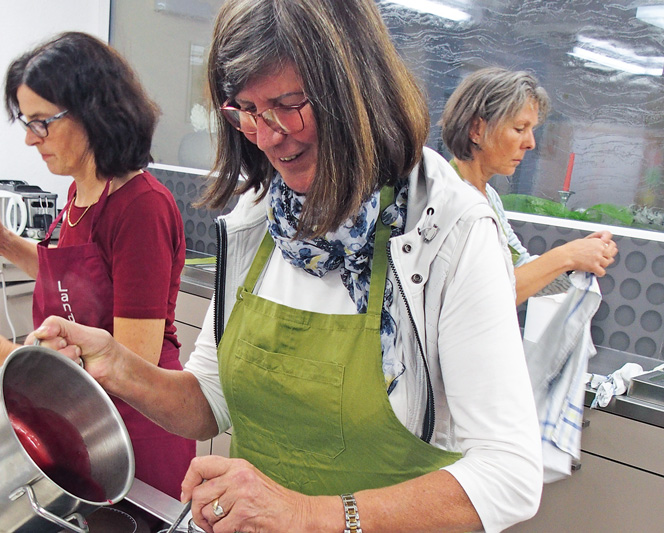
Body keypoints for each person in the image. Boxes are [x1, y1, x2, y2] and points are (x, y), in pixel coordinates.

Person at [31, 2, 542, 532]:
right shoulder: (259, 220)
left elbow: (510, 474)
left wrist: (309, 515)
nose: (268, 135)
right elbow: (210, 401)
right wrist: (119, 367)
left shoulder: (449, 232)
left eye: (288, 104)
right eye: (247, 111)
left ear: (356, 91)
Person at [0, 31, 195, 499]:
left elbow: (133, 365)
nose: (29, 138)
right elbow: (76, 279)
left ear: (93, 111)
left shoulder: (141, 207)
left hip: (134, 435)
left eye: (42, 122)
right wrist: (5, 243)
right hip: (82, 419)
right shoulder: (80, 191)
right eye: (26, 122)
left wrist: (7, 360)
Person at [440, 67, 618, 305]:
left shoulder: (488, 197)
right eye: (519, 129)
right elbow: (486, 299)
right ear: (476, 129)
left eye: (532, 130)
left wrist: (580, 255)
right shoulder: (448, 199)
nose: (530, 143)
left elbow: (521, 268)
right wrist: (566, 256)